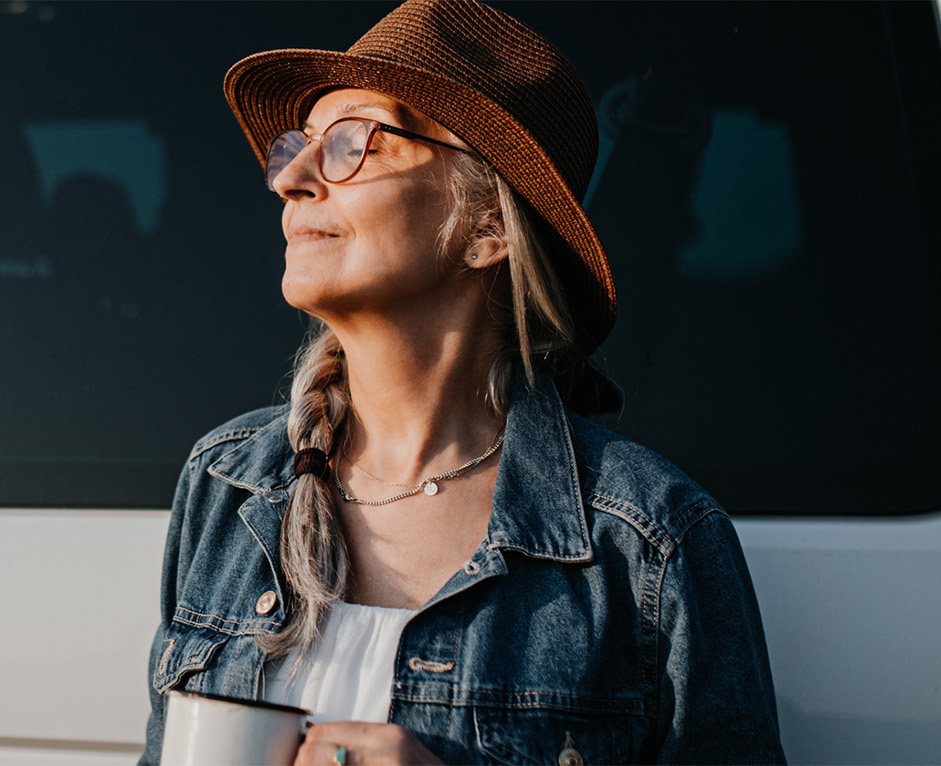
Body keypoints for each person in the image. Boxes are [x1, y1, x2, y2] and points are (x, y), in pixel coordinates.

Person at [140, 1, 785, 763]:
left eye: (354, 142)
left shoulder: (651, 542)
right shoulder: (225, 480)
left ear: (487, 227)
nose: (294, 181)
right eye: (296, 147)